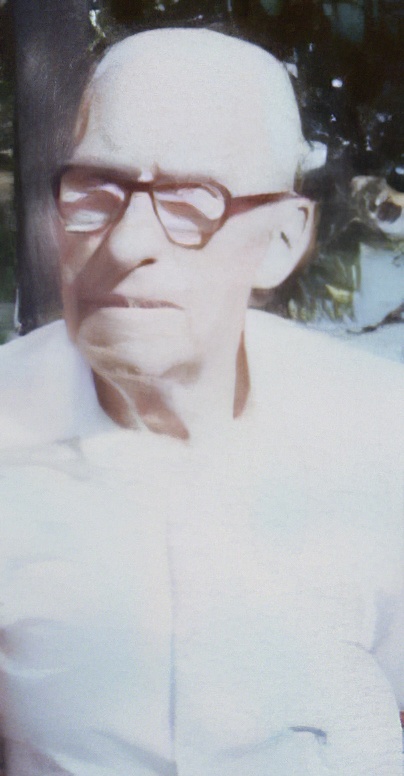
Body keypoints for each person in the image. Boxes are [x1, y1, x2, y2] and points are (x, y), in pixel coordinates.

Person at [0, 27, 403, 776]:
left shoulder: (382, 432)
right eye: (96, 188)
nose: (126, 245)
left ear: (283, 240)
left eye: (192, 200)